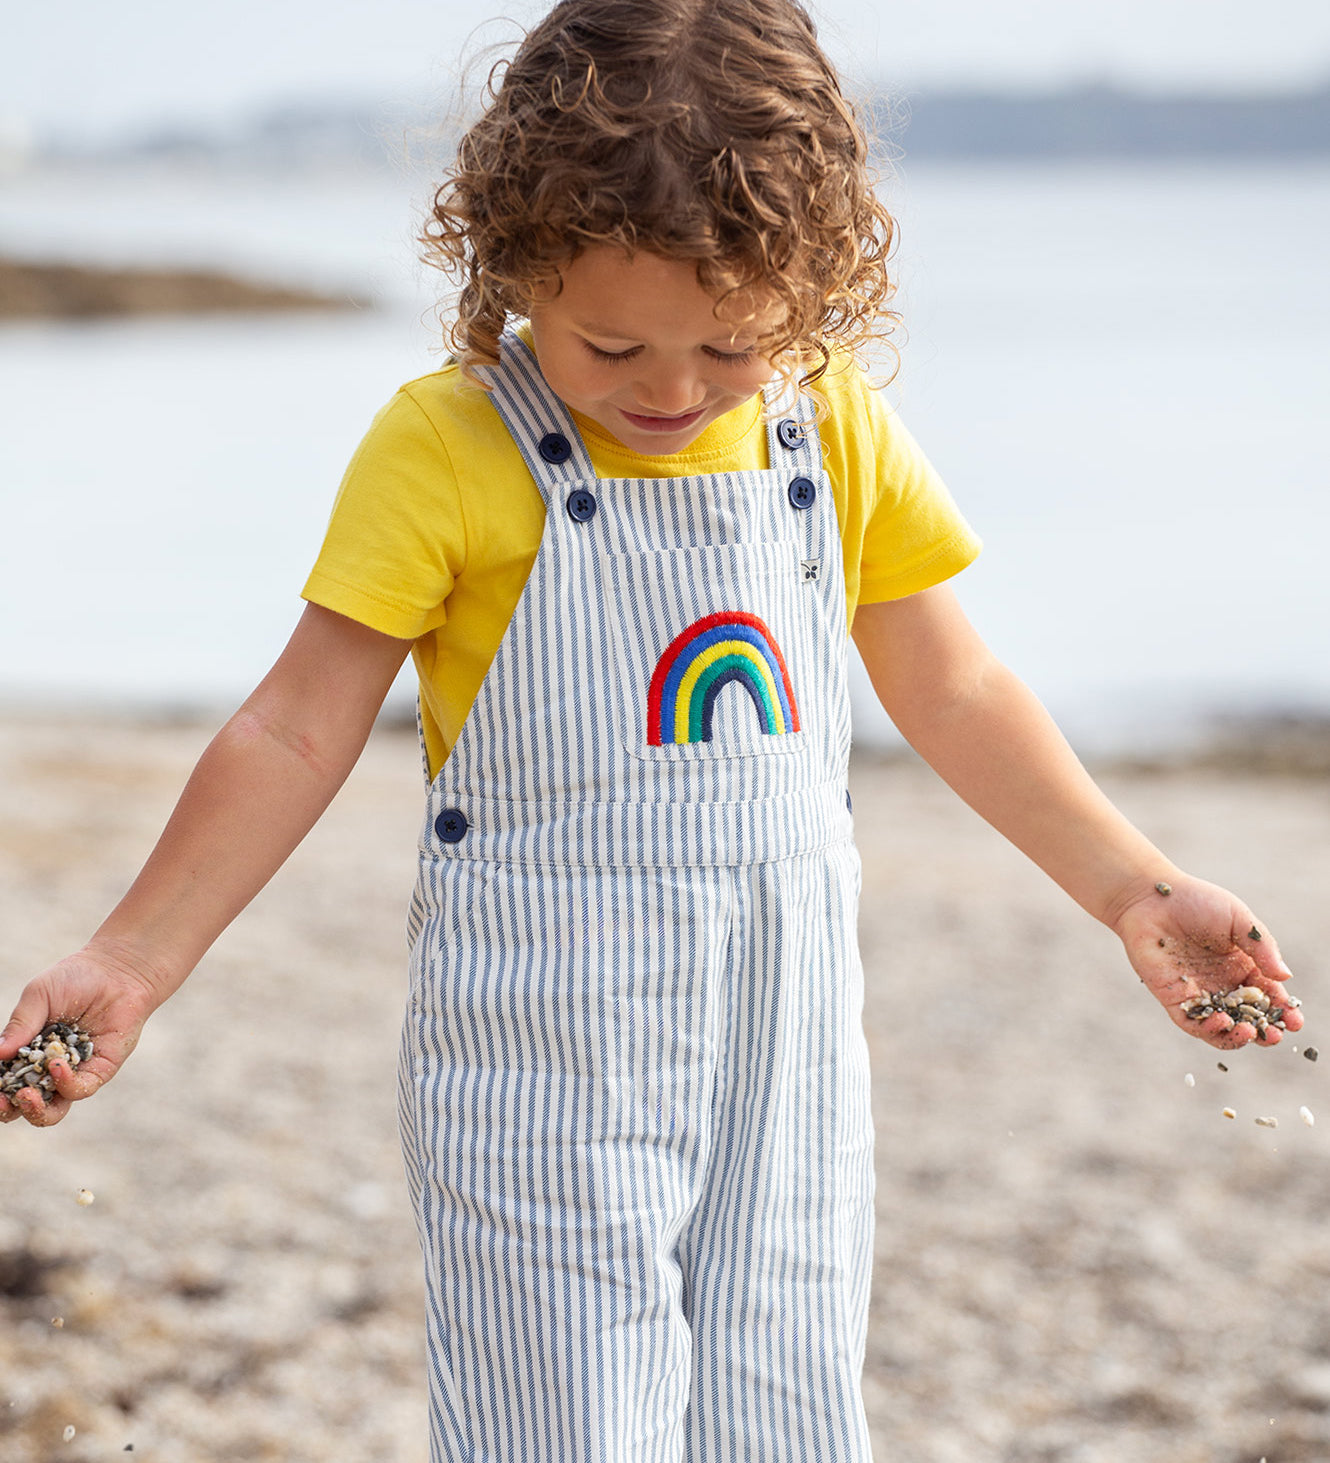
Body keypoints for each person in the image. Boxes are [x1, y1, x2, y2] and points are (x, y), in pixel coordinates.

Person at [0, 1, 1303, 1458]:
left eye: (732, 347)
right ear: (514, 270)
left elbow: (952, 686)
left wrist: (1130, 886)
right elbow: (295, 732)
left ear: (814, 293)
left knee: (787, 1400)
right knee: (559, 1414)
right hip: (543, 1051)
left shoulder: (834, 429)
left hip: (789, 1044)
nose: (671, 393)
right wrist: (132, 954)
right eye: (609, 343)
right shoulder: (446, 445)